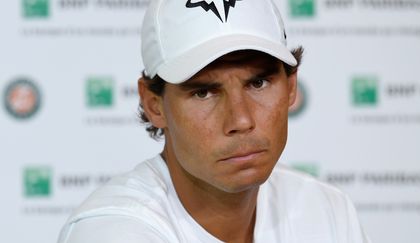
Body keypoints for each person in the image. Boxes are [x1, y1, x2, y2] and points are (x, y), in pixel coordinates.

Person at [58, 0, 371, 242]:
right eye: (204, 92)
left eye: (258, 83)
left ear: (290, 87)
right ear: (154, 105)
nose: (241, 119)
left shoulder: (326, 209)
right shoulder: (113, 231)